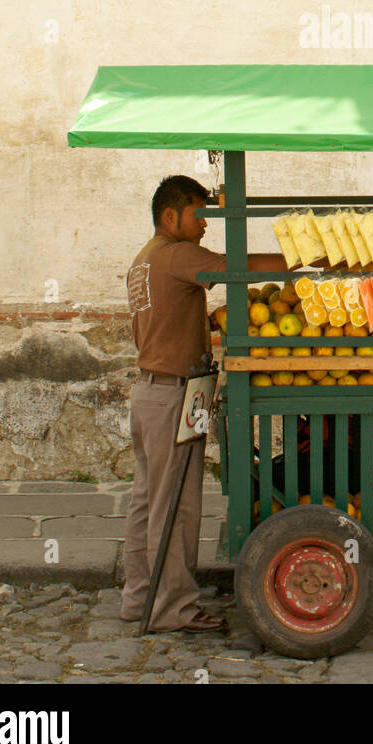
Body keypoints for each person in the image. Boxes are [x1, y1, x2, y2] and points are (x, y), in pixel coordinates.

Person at [120, 173, 289, 632]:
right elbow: (238, 267)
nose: (205, 225)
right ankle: (172, 608)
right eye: (200, 214)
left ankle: (141, 597)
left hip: (151, 392)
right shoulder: (175, 254)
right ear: (170, 215)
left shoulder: (144, 259)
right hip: (174, 394)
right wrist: (300, 261)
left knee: (147, 503)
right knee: (176, 505)